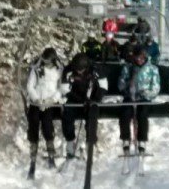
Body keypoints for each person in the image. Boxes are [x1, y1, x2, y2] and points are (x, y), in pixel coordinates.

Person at [61, 53, 108, 160]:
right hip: (75, 100)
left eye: (81, 69)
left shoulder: (95, 70)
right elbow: (64, 89)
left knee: (92, 116)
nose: (78, 71)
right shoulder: (69, 71)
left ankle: (90, 143)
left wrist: (95, 99)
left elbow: (104, 86)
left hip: (92, 100)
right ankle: (70, 142)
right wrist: (80, 100)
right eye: (76, 69)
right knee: (67, 114)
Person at [26, 47, 63, 179]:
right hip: (37, 103)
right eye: (44, 60)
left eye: (47, 61)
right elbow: (30, 86)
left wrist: (52, 100)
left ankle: (51, 156)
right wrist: (36, 99)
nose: (45, 63)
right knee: (33, 126)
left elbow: (61, 88)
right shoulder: (37, 69)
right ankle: (33, 159)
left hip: (49, 103)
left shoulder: (59, 71)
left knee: (48, 127)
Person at [118, 46, 160, 155]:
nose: (139, 60)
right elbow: (120, 84)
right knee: (125, 113)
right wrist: (128, 84)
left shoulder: (152, 69)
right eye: (137, 58)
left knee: (142, 114)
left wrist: (145, 93)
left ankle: (142, 141)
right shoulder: (128, 68)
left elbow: (155, 88)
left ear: (146, 57)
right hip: (130, 97)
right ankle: (126, 139)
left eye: (141, 58)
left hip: (144, 98)